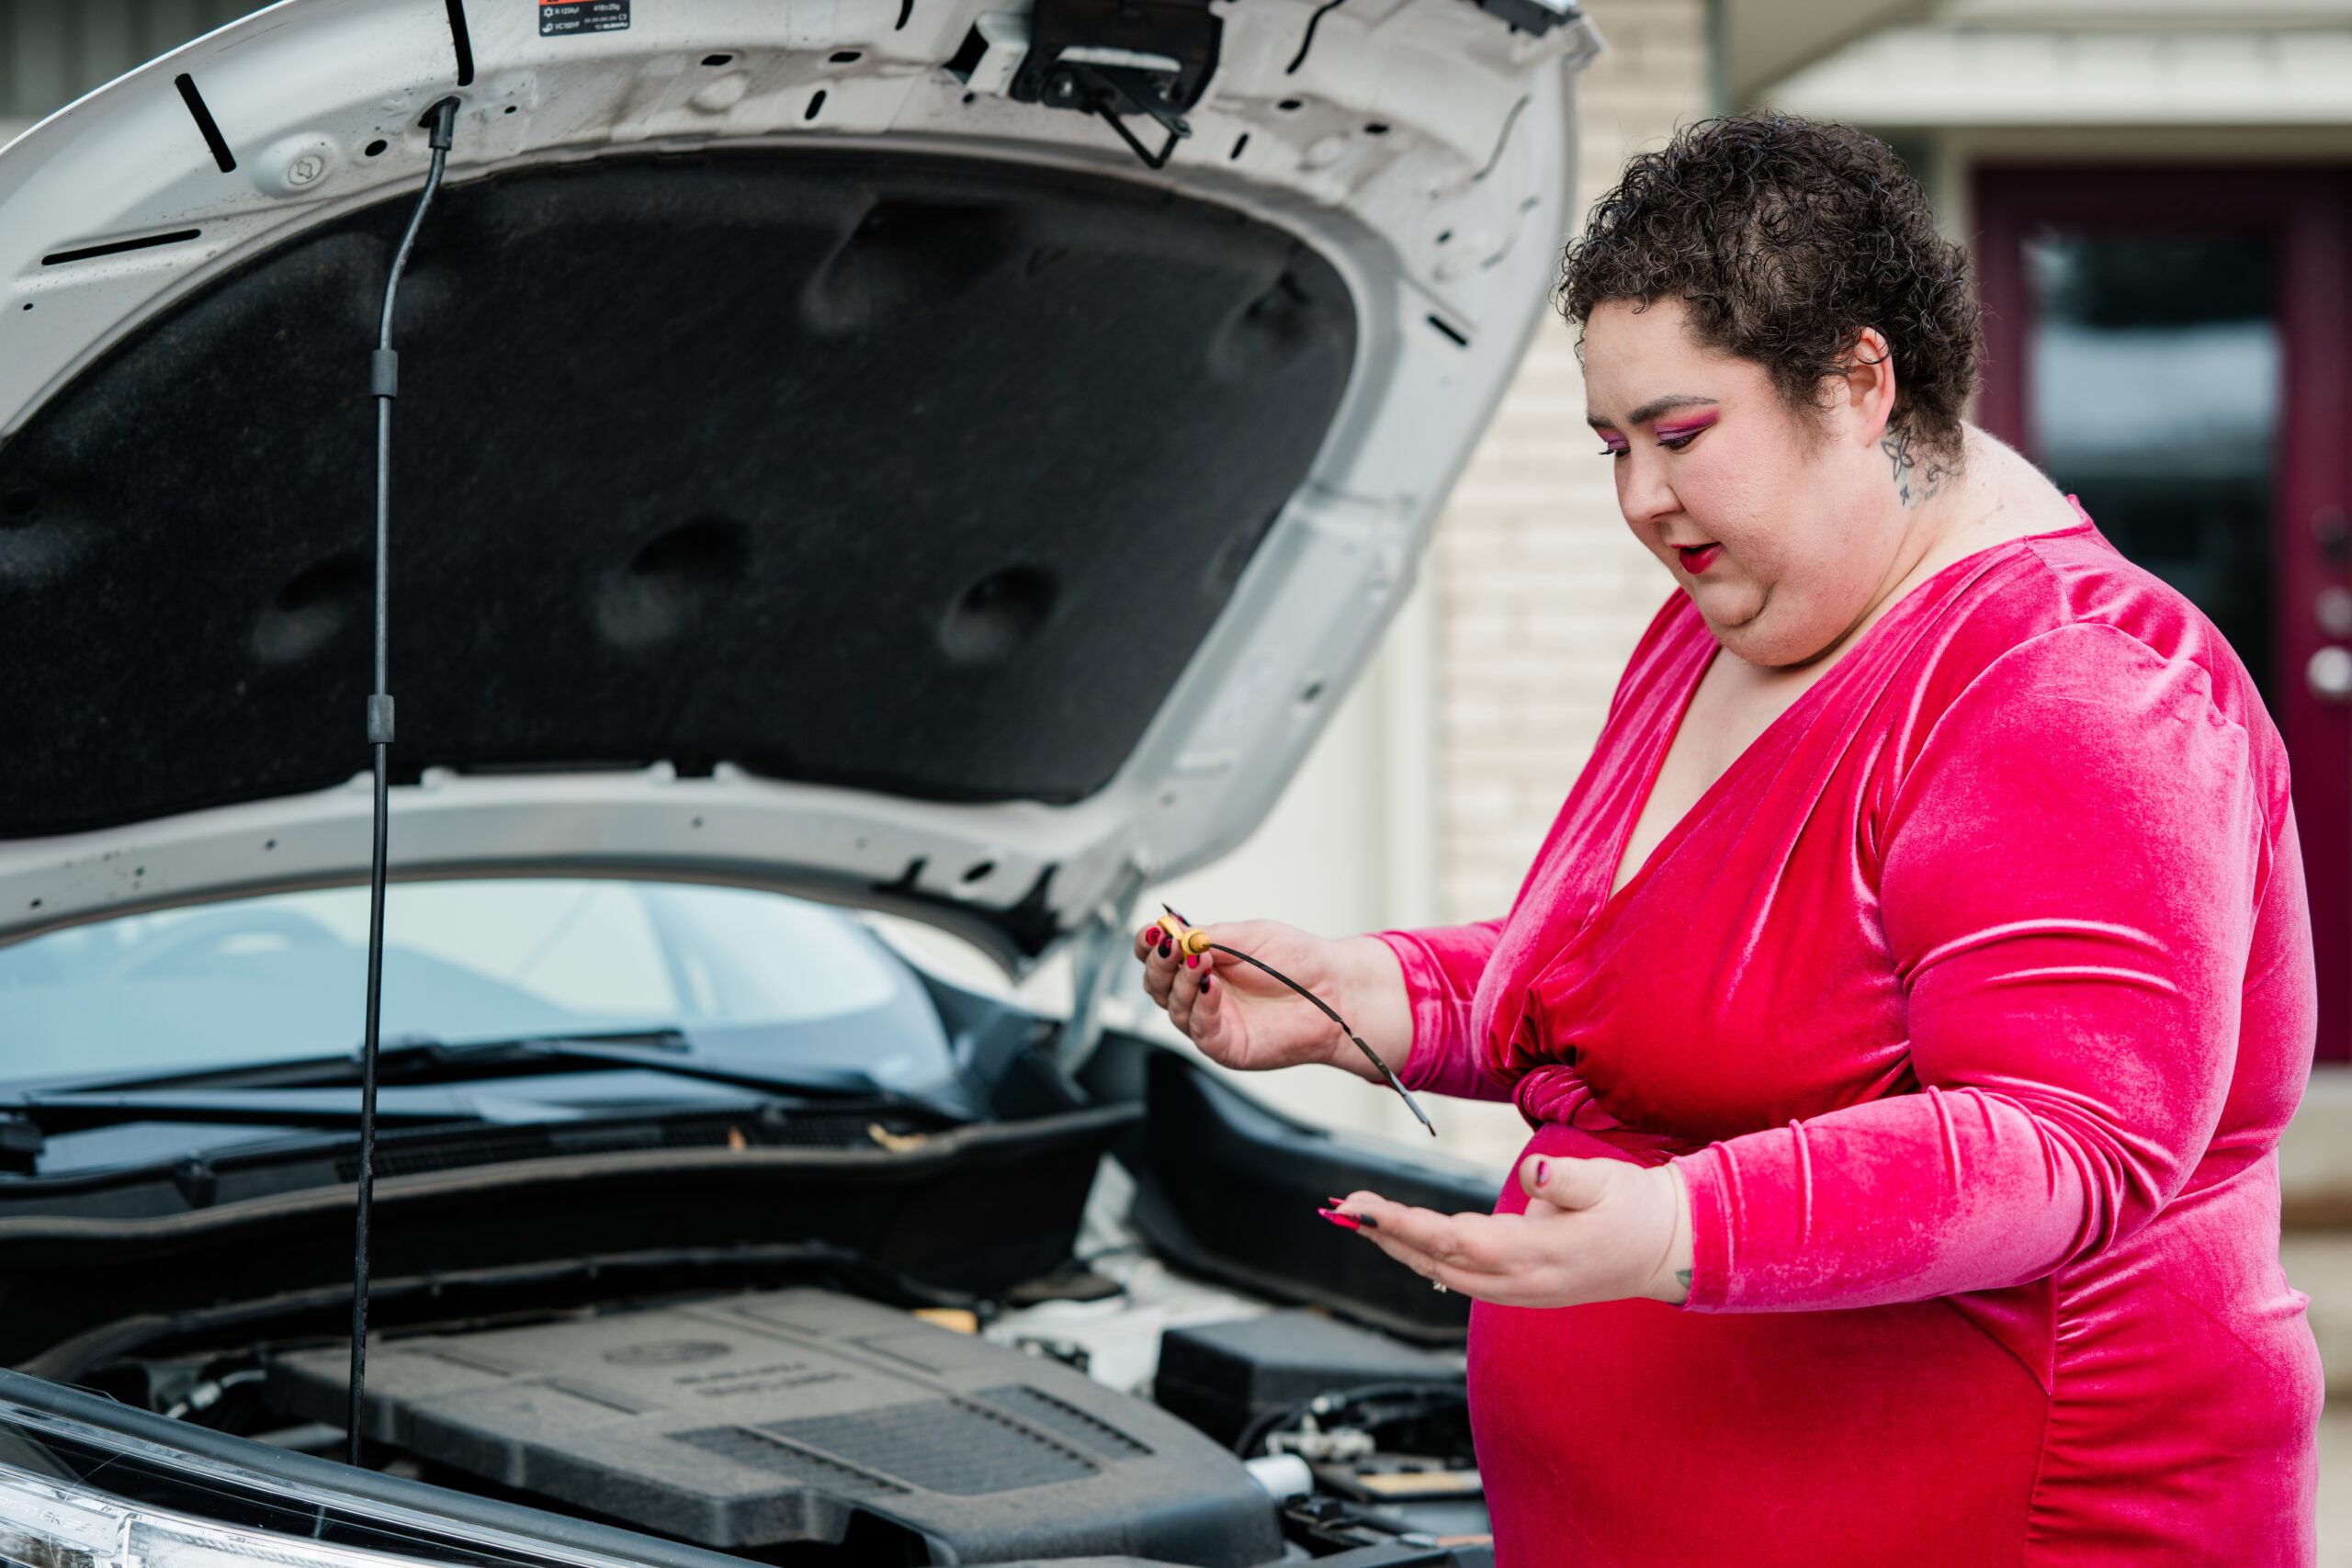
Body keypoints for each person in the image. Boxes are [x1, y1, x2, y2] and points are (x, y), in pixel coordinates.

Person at [1135, 115, 2321, 1565]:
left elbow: (2061, 1141)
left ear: (1859, 382)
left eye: (1683, 436)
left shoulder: (2081, 682)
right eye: (1611, 446)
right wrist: (1353, 994)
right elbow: (1620, 981)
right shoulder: (1735, 617)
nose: (1640, 499)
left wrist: (1675, 1232)